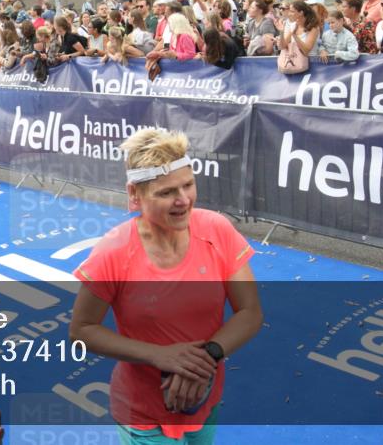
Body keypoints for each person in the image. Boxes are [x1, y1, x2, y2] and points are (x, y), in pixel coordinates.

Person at [70, 128, 262, 445]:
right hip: (143, 413)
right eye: (165, 192)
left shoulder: (217, 229)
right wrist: (159, 356)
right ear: (135, 195)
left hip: (202, 396)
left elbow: (250, 311)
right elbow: (82, 330)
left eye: (188, 184)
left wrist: (207, 359)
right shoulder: (114, 250)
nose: (183, 200)